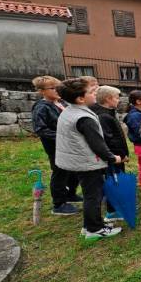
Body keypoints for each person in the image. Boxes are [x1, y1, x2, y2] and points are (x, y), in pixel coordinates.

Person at [55, 78, 123, 239]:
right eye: (92, 92)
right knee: (94, 196)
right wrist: (112, 158)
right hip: (86, 163)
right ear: (80, 98)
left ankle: (91, 225)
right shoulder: (84, 118)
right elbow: (97, 144)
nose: (95, 94)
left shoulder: (70, 110)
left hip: (77, 160)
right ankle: (94, 229)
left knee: (90, 194)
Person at [31, 75, 81, 216]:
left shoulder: (61, 103)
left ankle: (71, 194)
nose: (56, 90)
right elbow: (41, 129)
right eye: (52, 88)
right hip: (56, 146)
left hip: (70, 144)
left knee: (73, 170)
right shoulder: (41, 107)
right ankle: (58, 204)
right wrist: (61, 137)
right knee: (60, 172)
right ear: (42, 91)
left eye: (58, 88)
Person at [90, 85, 130, 223]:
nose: (119, 100)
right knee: (113, 182)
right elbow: (109, 139)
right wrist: (120, 155)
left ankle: (117, 206)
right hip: (113, 158)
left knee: (117, 181)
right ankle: (112, 212)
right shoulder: (103, 116)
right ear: (108, 99)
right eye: (117, 97)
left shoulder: (109, 112)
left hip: (117, 157)